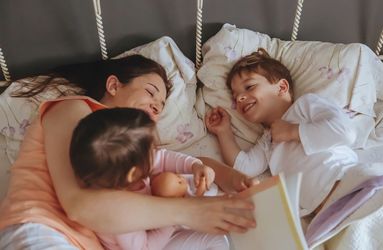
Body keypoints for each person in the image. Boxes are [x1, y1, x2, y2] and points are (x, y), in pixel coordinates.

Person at [0, 54, 257, 250]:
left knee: (217, 239)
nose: (155, 107)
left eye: (160, 106)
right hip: (44, 229)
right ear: (113, 85)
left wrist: (233, 178)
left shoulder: (133, 146)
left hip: (92, 243)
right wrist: (188, 209)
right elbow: (81, 206)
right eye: (150, 93)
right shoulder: (75, 110)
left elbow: (166, 160)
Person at [205, 48, 358, 216]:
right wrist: (224, 132)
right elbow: (244, 168)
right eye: (235, 97)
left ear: (282, 87)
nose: (240, 98)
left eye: (249, 87)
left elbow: (346, 133)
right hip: (322, 212)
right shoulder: (267, 139)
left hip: (347, 182)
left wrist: (293, 131)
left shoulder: (305, 106)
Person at [70, 107, 224, 249]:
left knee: (202, 191)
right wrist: (173, 217)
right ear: (133, 173)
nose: (157, 151)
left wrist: (195, 166)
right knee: (216, 240)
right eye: (152, 149)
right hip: (154, 243)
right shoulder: (119, 217)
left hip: (158, 219)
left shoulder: (118, 173)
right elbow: (145, 247)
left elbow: (162, 158)